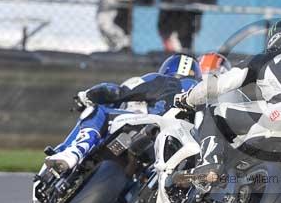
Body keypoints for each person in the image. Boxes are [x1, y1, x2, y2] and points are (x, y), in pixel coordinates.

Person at [173, 19, 281, 187]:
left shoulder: (268, 57)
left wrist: (187, 98)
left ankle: (208, 166)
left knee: (215, 112)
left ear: (276, 36)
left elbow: (217, 85)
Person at [42, 53, 201, 176]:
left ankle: (73, 152)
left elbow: (117, 92)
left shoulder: (163, 80)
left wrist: (88, 95)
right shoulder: (204, 96)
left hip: (148, 128)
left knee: (98, 109)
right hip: (175, 153)